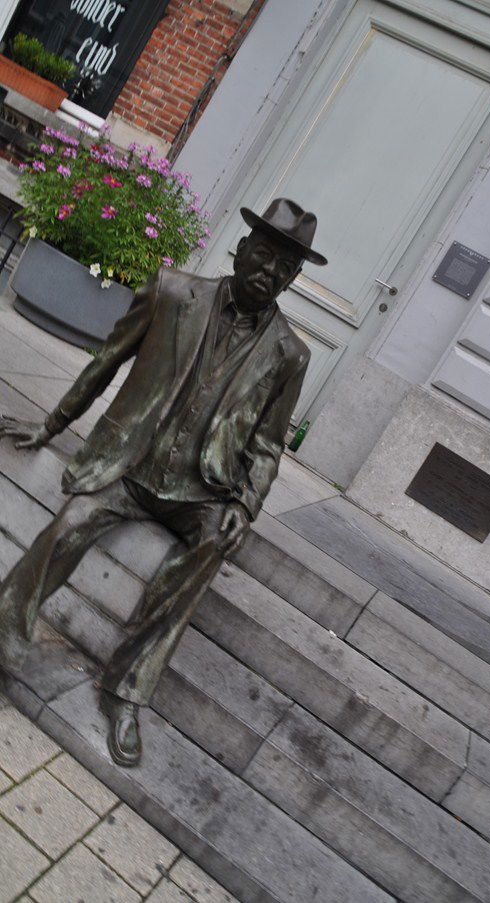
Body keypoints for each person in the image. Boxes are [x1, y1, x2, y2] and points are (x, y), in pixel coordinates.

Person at [0, 198, 327, 767]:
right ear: (242, 247)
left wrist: (245, 506)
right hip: (131, 468)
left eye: (283, 268)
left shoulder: (289, 355)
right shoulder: (174, 292)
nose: (268, 271)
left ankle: (125, 691)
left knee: (211, 547)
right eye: (264, 255)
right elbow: (106, 359)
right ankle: (7, 626)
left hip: (202, 492)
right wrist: (53, 424)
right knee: (71, 523)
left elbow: (269, 447)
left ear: (294, 279)